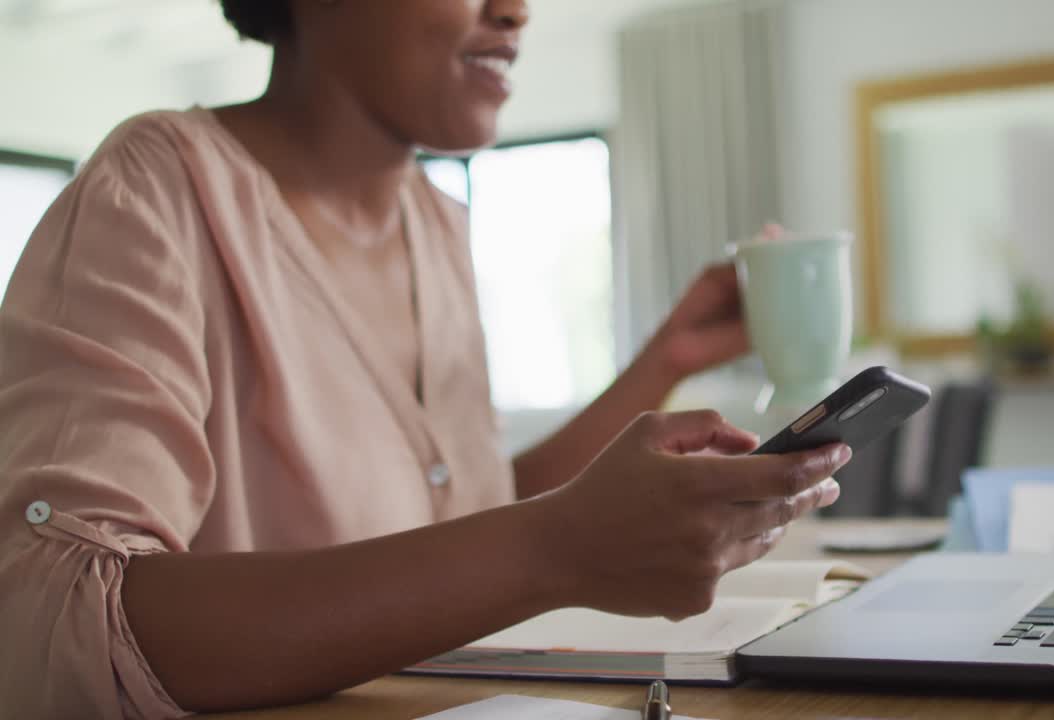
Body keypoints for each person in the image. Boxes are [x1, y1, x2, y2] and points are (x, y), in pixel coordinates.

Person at [0, 1, 850, 717]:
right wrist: (554, 549)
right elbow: (60, 617)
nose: (517, 9)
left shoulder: (436, 225)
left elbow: (467, 519)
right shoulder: (152, 192)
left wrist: (667, 357)